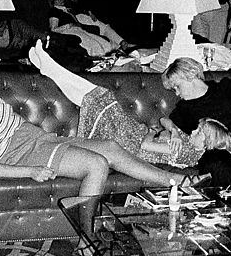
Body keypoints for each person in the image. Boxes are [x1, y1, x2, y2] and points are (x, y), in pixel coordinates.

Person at [0, 66, 186, 199]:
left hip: (36, 138)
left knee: (112, 147)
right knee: (96, 165)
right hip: (20, 154)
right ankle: (86, 240)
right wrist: (32, 171)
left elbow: (14, 122)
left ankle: (172, 181)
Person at [28, 38, 199, 166]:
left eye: (176, 87)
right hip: (133, 135)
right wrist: (174, 132)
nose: (177, 93)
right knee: (103, 97)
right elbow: (164, 120)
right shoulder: (187, 118)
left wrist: (150, 132)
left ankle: (52, 69)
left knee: (101, 99)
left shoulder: (189, 150)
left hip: (131, 147)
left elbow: (146, 145)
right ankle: (52, 69)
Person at [48, 0, 128, 58]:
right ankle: (99, 61)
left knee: (104, 43)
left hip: (79, 28)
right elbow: (53, 29)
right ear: (52, 1)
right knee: (95, 46)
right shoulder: (54, 11)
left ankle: (116, 53)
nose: (60, 0)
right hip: (70, 30)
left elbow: (79, 6)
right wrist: (69, 25)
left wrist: (88, 13)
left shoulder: (68, 9)